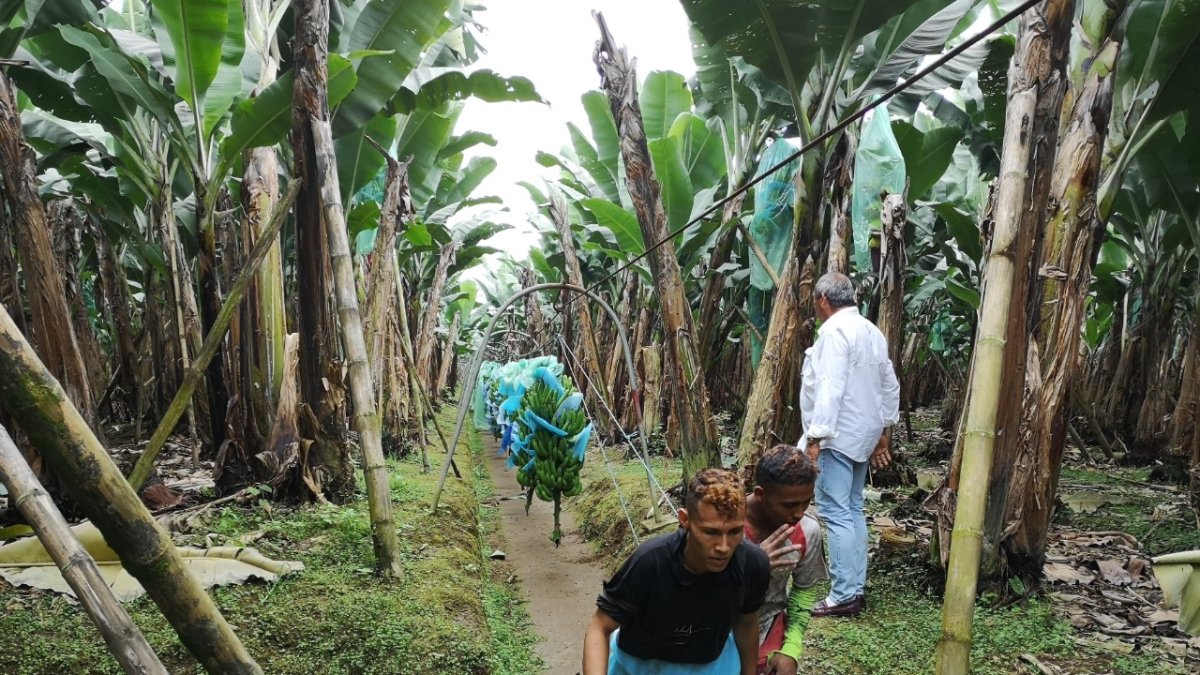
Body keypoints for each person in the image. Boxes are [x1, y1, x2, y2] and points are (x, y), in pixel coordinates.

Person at [582, 469, 770, 674]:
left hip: (712, 666)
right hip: (640, 666)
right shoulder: (650, 562)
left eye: (734, 531)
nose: (724, 547)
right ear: (685, 520)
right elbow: (600, 626)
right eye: (711, 532)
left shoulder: (752, 565)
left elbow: (746, 622)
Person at [800, 272, 900, 618]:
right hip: (863, 433)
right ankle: (854, 588)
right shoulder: (871, 331)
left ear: (823, 300)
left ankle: (843, 595)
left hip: (837, 435)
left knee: (835, 512)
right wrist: (885, 429)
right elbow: (890, 383)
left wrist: (816, 437)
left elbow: (830, 387)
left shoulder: (834, 332)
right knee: (853, 509)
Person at [744, 445, 825, 675]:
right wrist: (754, 564)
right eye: (789, 505)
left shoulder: (807, 531)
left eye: (806, 501)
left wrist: (791, 648)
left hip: (769, 633)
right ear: (760, 495)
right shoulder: (724, 527)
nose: (799, 513)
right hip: (717, 637)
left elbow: (804, 590)